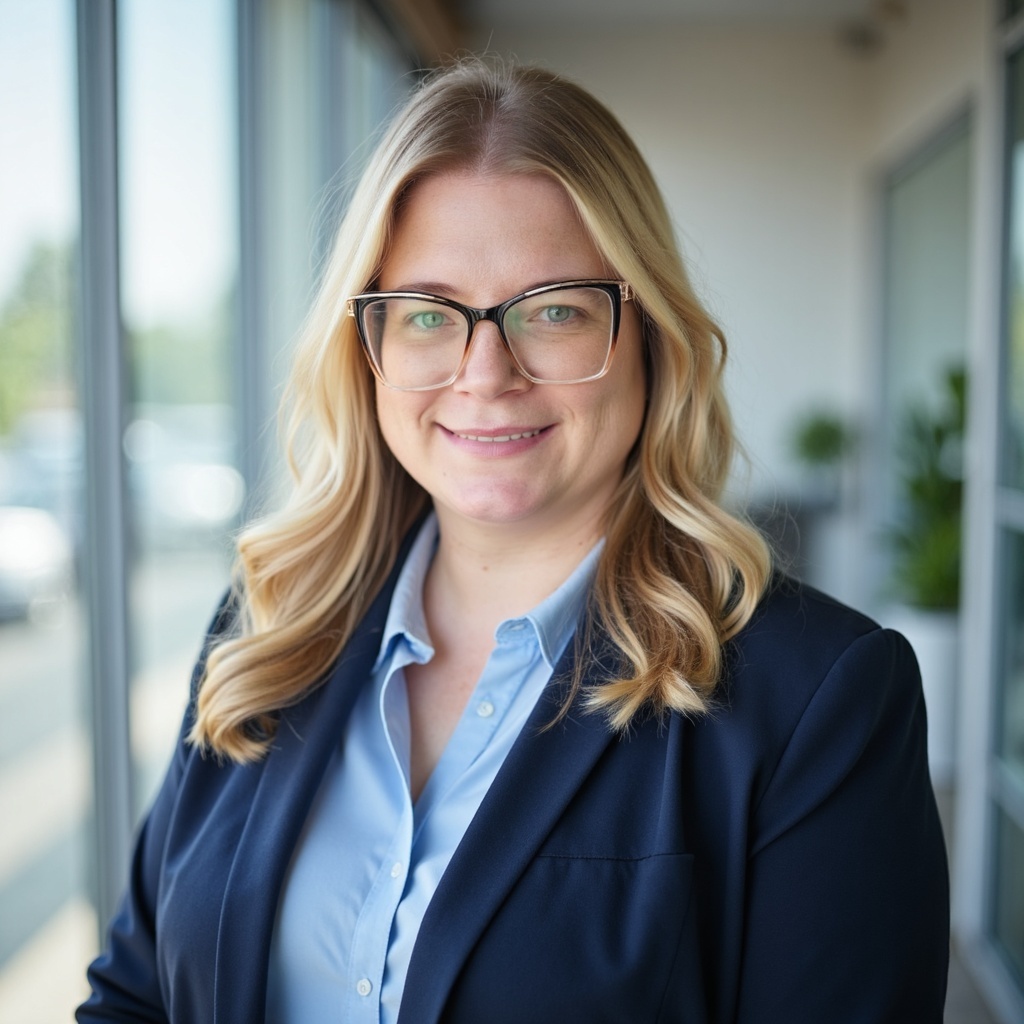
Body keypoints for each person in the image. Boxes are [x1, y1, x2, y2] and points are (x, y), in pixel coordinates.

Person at [78, 57, 949, 1023]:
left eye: (556, 311)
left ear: (649, 335)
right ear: (363, 352)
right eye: (425, 314)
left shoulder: (819, 699)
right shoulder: (269, 628)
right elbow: (136, 992)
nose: (484, 373)